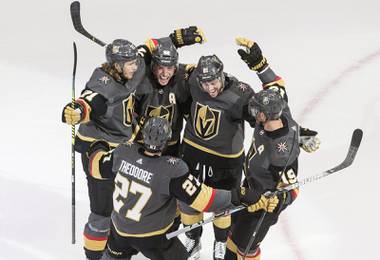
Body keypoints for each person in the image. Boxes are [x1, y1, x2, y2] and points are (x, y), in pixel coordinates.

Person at [85, 117, 278, 260]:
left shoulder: (123, 152)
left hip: (119, 232)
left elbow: (95, 166)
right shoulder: (171, 169)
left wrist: (98, 145)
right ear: (167, 140)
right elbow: (206, 200)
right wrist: (240, 194)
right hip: (153, 238)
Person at [223, 37, 314, 260]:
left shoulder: (281, 152)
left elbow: (292, 188)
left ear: (267, 113)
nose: (252, 114)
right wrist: (260, 65)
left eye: (256, 111)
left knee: (246, 250)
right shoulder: (279, 112)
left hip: (264, 206)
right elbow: (275, 85)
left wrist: (278, 201)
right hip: (250, 188)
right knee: (233, 238)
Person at [62, 38, 146, 260]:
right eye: (129, 63)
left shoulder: (131, 70)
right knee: (102, 210)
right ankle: (94, 255)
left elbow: (146, 49)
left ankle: (116, 247)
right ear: (117, 65)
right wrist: (78, 111)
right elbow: (90, 99)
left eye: (134, 62)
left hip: (122, 148)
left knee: (121, 205)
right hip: (98, 149)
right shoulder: (103, 83)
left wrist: (178, 38)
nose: (135, 67)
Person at [179, 54, 256, 260]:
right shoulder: (193, 80)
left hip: (226, 161)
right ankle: (193, 239)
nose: (209, 89)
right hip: (192, 153)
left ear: (221, 75)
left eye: (213, 83)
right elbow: (171, 70)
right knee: (188, 198)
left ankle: (220, 242)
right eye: (205, 84)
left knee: (224, 203)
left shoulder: (241, 93)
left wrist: (291, 132)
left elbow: (263, 117)